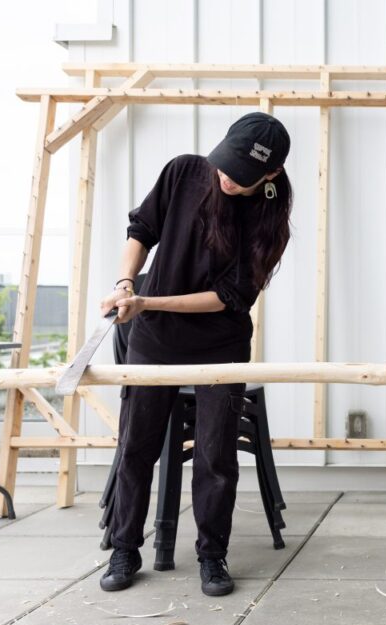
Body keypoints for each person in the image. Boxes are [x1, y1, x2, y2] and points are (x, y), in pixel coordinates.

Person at [98, 112, 293, 596]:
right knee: (136, 445)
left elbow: (229, 298)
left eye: (241, 174)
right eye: (225, 164)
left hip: (219, 345)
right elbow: (141, 230)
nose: (226, 177)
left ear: (269, 176)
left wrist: (146, 301)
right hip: (153, 339)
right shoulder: (185, 172)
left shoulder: (270, 223)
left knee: (215, 454)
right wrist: (126, 283)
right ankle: (124, 548)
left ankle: (213, 556)